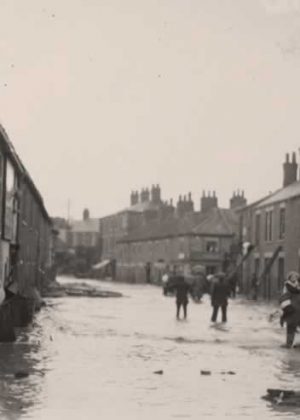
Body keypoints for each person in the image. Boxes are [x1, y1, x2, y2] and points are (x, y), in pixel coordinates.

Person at [279, 271, 300, 348]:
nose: (295, 280)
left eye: (296, 278)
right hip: (294, 309)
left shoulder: (288, 287)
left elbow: (284, 298)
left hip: (292, 309)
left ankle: (288, 344)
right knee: (292, 326)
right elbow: (284, 298)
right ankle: (290, 343)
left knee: (291, 327)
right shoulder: (290, 287)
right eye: (293, 278)